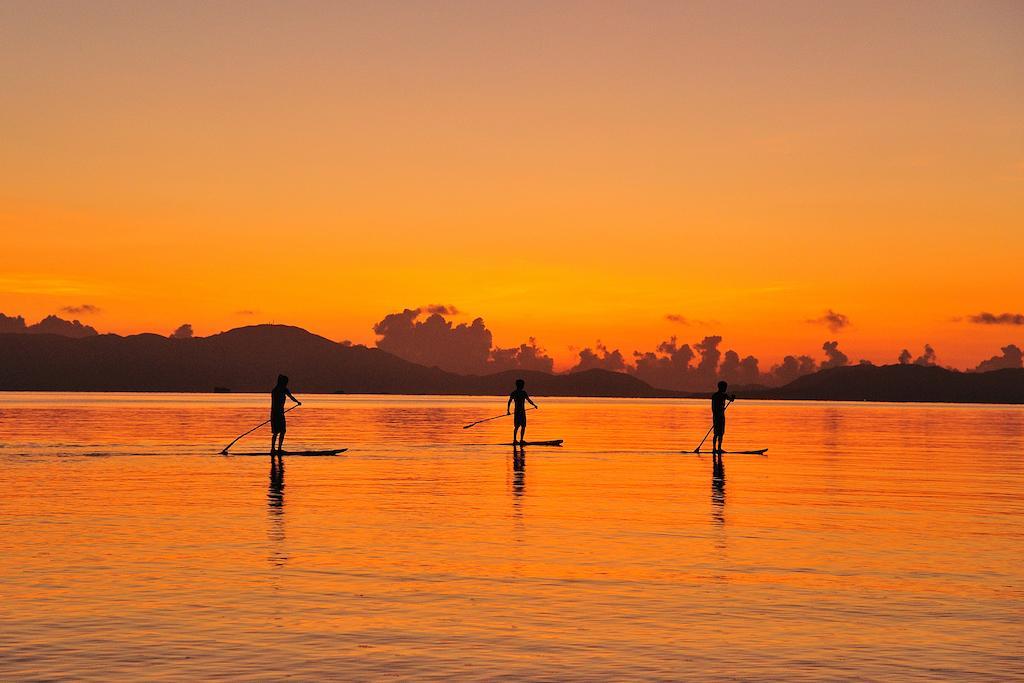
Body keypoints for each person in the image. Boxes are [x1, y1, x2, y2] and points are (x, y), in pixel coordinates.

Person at [270, 374, 301, 455]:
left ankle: (279, 449)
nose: (286, 383)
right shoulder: (275, 390)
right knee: (276, 432)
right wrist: (276, 413)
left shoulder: (285, 389)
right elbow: (274, 403)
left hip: (281, 413)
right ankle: (273, 449)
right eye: (285, 382)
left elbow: (291, 397)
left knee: (283, 431)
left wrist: (297, 402)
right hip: (275, 413)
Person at [506, 379, 538, 445]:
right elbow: (509, 401)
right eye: (522, 385)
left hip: (519, 412)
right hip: (519, 412)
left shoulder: (517, 392)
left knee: (521, 426)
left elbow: (528, 400)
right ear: (520, 385)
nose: (523, 386)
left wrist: (534, 405)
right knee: (519, 426)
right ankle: (516, 440)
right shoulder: (520, 393)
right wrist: (508, 411)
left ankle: (520, 440)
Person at [710, 380, 736, 455]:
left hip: (721, 416)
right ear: (721, 387)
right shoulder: (715, 396)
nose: (725, 389)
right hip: (717, 416)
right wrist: (716, 415)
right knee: (716, 433)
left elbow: (731, 400)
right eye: (725, 387)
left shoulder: (724, 395)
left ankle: (719, 448)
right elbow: (713, 407)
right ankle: (714, 448)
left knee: (721, 433)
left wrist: (733, 397)